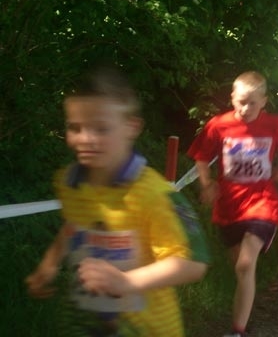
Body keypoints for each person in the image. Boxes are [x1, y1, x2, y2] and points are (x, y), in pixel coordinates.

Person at [26, 67, 209, 336]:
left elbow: (192, 263)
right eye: (75, 127)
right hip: (87, 326)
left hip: (150, 330)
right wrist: (50, 263)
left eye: (101, 128)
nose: (85, 139)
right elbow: (73, 226)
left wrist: (126, 282)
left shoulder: (154, 195)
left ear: (131, 127)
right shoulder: (69, 182)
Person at [187, 71, 278, 337]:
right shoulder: (218, 125)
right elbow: (201, 157)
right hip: (229, 206)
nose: (246, 109)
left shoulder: (275, 125)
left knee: (245, 265)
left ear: (264, 102)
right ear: (232, 97)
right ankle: (243, 322)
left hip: (262, 202)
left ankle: (237, 331)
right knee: (242, 271)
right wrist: (207, 183)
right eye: (241, 102)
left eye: (252, 103)